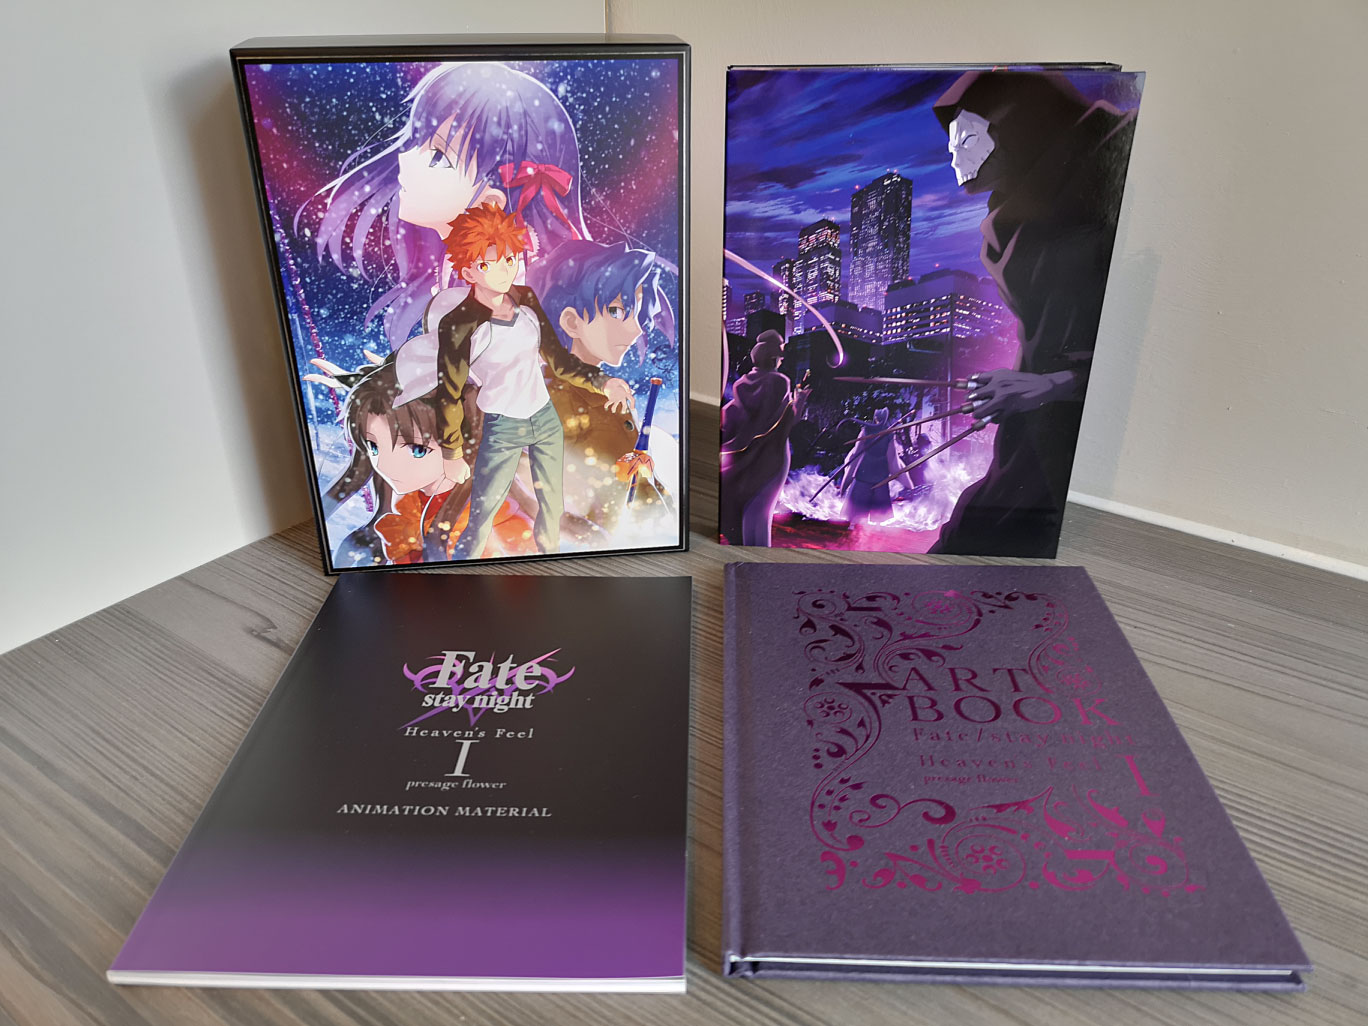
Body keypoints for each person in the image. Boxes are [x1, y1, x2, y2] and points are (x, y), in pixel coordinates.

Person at [927, 71, 1138, 556]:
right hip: (1039, 431)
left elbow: (1131, 339)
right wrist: (1016, 388)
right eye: (952, 144)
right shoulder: (1015, 220)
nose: (955, 156)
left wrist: (1051, 385)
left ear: (1018, 129)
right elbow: (1046, 339)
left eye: (967, 139)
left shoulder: (1102, 185)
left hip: (1075, 452)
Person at [306, 62, 591, 351]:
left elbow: (499, 360)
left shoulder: (511, 271)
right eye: (414, 142)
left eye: (437, 157)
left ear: (490, 202)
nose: (404, 159)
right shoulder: (462, 257)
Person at [425, 204, 634, 561]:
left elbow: (560, 361)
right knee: (483, 512)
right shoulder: (458, 324)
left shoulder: (526, 300)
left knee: (551, 509)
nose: (503, 271)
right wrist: (451, 452)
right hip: (503, 427)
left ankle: (550, 569)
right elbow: (450, 393)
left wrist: (603, 382)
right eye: (488, 264)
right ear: (468, 270)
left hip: (544, 419)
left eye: (509, 259)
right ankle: (459, 575)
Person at [307, 359, 534, 566]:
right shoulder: (410, 505)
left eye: (418, 450)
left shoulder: (496, 519)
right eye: (373, 447)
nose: (385, 466)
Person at [529, 239, 677, 542]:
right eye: (617, 311)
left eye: (637, 314)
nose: (636, 329)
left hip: (646, 540)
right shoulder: (556, 399)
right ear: (571, 321)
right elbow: (537, 485)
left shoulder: (610, 392)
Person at [719, 330, 809, 546]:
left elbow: (735, 418)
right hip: (772, 454)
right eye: (780, 354)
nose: (782, 359)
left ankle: (742, 549)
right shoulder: (779, 381)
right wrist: (801, 399)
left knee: (744, 504)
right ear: (773, 357)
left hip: (742, 456)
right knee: (761, 511)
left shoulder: (742, 383)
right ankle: (758, 555)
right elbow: (786, 421)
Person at [839, 408, 913, 525]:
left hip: (878, 478)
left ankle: (871, 529)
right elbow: (856, 456)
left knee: (877, 516)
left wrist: (909, 485)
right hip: (866, 476)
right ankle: (855, 526)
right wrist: (845, 482)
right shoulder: (867, 431)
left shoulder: (888, 434)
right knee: (857, 514)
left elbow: (893, 460)